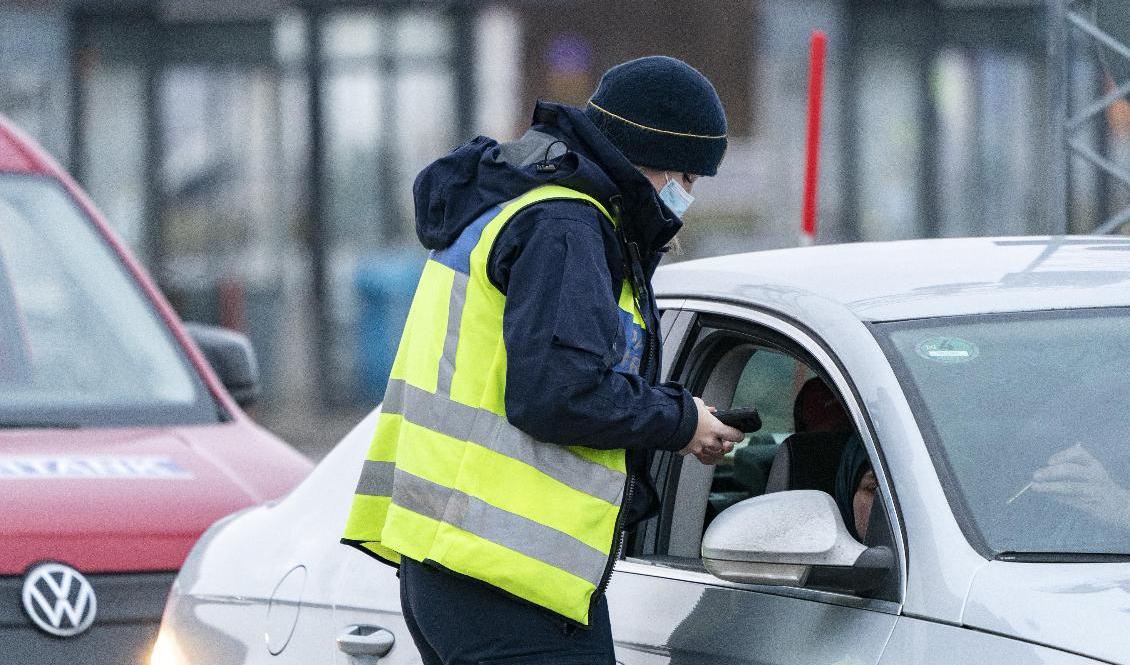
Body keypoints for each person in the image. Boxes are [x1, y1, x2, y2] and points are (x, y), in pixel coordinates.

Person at [340, 56, 744, 664]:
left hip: (460, 566)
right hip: (506, 582)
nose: (685, 195)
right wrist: (682, 421)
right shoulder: (566, 227)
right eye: (687, 176)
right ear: (649, 156)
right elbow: (559, 392)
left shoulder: (524, 208)